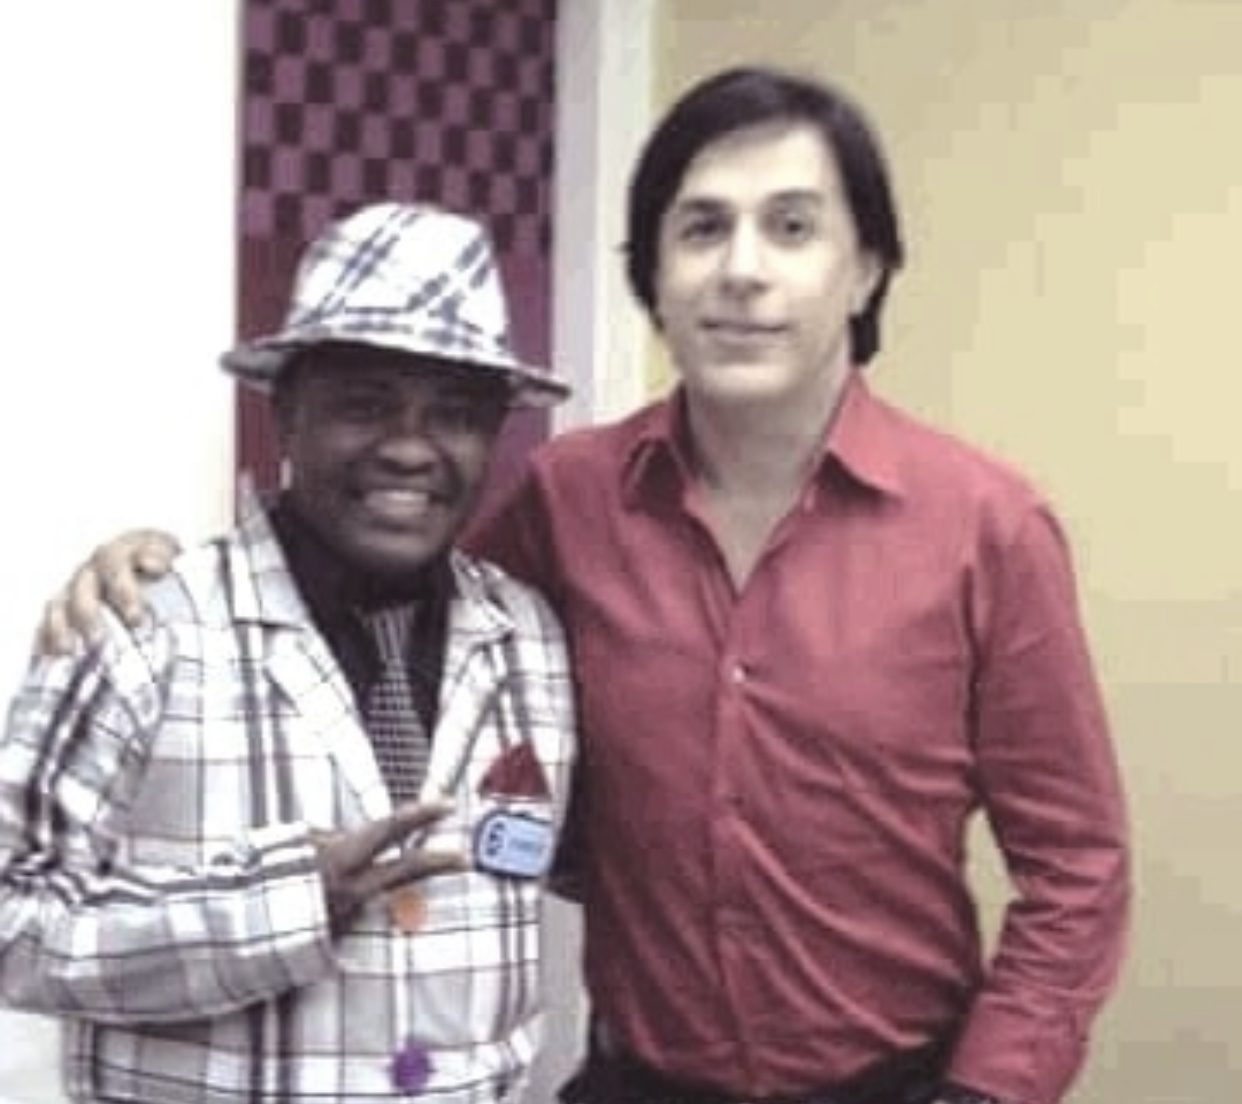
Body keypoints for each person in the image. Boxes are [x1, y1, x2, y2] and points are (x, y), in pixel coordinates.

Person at [35, 67, 1130, 1104]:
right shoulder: (570, 499)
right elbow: (373, 585)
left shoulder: (987, 528)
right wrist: (160, 566)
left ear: (869, 268)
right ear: (652, 274)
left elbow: (1077, 868)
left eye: (793, 227)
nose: (743, 269)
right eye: (701, 228)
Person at [0, 201, 577, 1103]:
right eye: (364, 404)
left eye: (456, 413)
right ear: (286, 412)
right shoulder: (141, 628)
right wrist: (277, 905)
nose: (411, 448)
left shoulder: (531, 636)